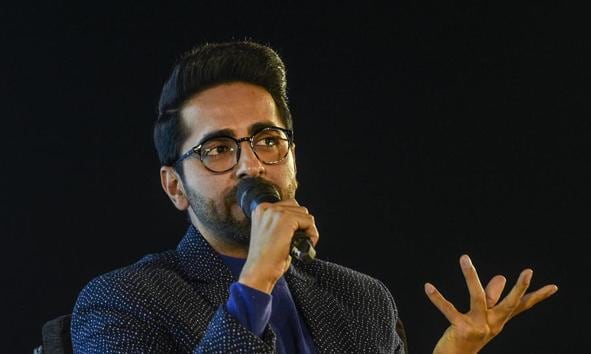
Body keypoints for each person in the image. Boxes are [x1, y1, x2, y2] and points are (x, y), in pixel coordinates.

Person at [70, 40, 558, 353]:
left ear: (293, 160)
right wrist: (258, 275)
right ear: (175, 186)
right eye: (218, 148)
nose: (251, 164)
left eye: (267, 140)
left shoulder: (360, 298)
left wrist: (456, 349)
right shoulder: (121, 301)